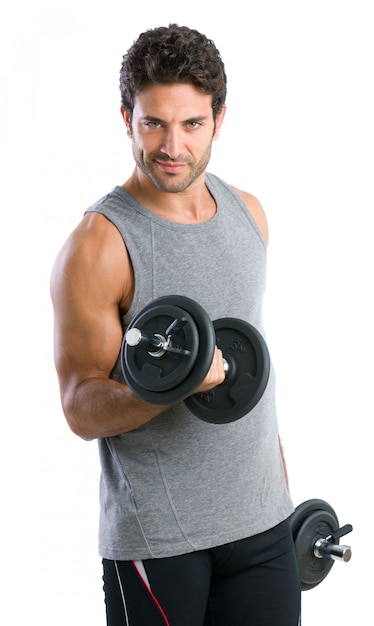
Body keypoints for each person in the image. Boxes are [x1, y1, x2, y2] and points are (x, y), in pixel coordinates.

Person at [50, 24, 301, 626]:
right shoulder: (100, 244)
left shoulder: (250, 215)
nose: (172, 146)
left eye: (191, 124)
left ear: (218, 120)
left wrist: (285, 501)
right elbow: (80, 406)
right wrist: (170, 385)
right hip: (161, 542)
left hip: (264, 521)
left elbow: (254, 375)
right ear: (125, 117)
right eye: (153, 123)